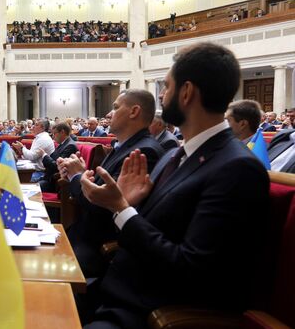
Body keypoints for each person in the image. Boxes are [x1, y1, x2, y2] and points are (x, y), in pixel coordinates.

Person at [78, 42, 269, 328]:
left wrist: (121, 210)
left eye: (166, 87)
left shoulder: (237, 168)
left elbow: (190, 269)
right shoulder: (174, 153)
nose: (162, 96)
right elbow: (158, 230)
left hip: (151, 314)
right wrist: (130, 205)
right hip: (115, 291)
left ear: (187, 92)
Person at [57, 89, 164, 278]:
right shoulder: (124, 145)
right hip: (83, 233)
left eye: (115, 107)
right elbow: (99, 190)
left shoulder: (143, 151)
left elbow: (102, 205)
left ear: (134, 112)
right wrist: (77, 174)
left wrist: (77, 177)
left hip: (97, 246)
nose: (108, 114)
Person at [36, 123, 78, 193]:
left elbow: (57, 166)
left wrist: (44, 155)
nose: (53, 137)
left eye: (54, 133)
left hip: (55, 182)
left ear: (62, 132)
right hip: (48, 177)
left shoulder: (70, 146)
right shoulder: (62, 144)